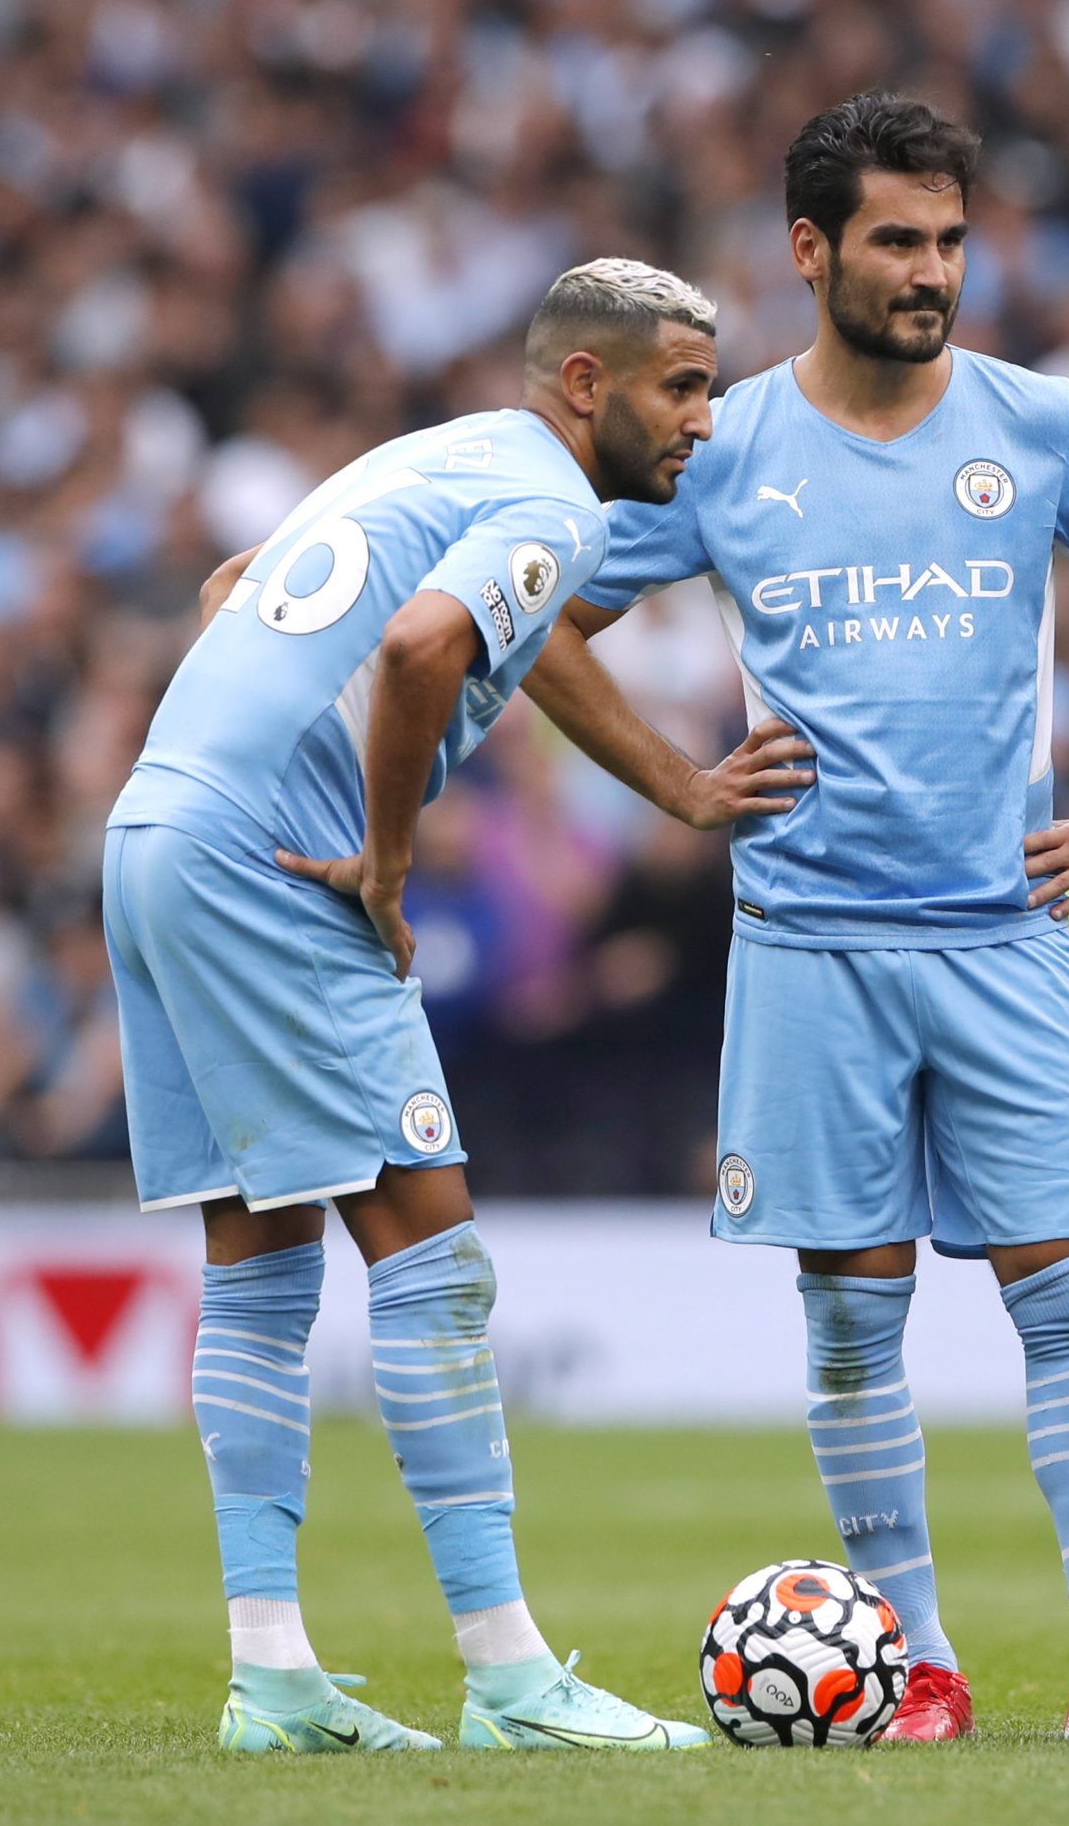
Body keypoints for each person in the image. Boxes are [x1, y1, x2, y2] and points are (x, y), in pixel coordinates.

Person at [524, 94, 1069, 1743]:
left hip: (1004, 937)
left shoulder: (1038, 423)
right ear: (811, 250)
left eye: (950, 240)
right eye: (897, 241)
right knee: (855, 1322)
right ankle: (918, 1666)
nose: (933, 272)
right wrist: (678, 785)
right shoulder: (727, 447)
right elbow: (544, 626)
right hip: (810, 949)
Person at [101, 259, 719, 1755]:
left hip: (156, 828)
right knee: (432, 1253)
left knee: (259, 1260)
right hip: (273, 863)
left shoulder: (431, 458)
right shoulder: (556, 504)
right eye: (682, 387)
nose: (702, 420)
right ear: (588, 383)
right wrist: (386, 861)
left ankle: (272, 1680)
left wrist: (674, 785)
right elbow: (426, 645)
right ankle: (511, 1679)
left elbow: (234, 591)